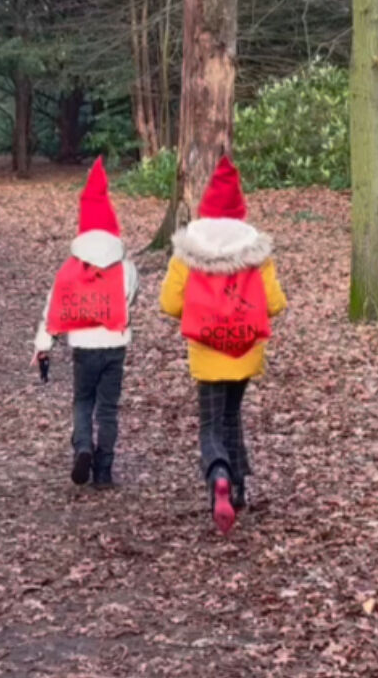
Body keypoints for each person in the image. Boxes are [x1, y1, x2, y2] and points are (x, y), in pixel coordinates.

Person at [160, 156, 287, 533]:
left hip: (207, 353)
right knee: (233, 416)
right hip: (245, 351)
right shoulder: (255, 254)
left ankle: (218, 473)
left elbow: (169, 303)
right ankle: (239, 489)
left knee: (212, 422)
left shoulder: (189, 253)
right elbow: (276, 303)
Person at [33, 157, 138, 489]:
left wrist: (42, 346)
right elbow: (129, 299)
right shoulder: (126, 268)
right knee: (107, 408)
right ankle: (104, 470)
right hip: (115, 345)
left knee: (82, 401)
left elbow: (54, 306)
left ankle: (82, 447)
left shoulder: (69, 269)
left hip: (83, 348)